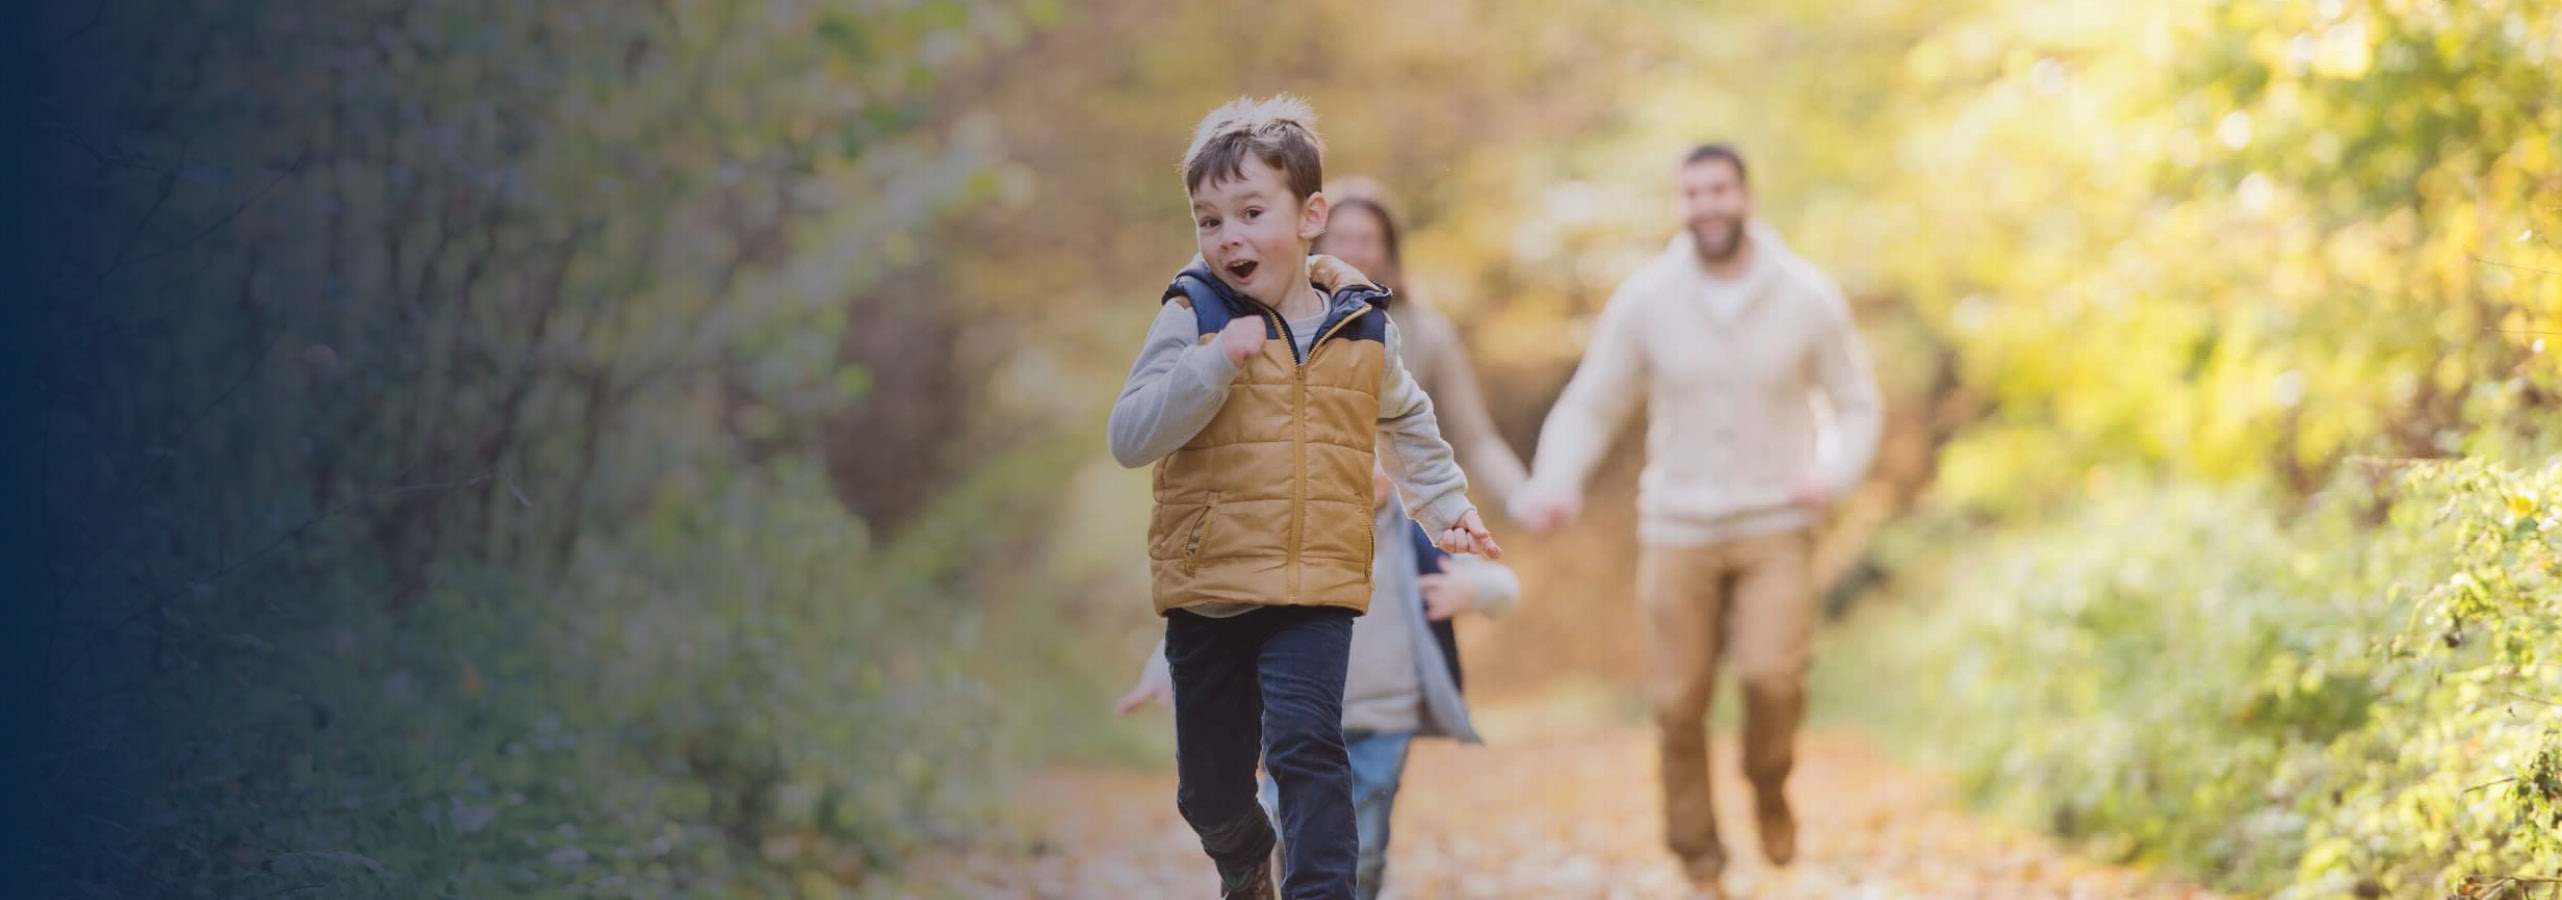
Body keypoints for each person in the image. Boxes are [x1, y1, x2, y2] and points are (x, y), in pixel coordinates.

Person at [1106, 94, 1502, 900]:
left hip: (1317, 583)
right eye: (1209, 220)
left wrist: (1447, 507)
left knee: (1306, 746)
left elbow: (1408, 421)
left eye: (1252, 212)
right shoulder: (1193, 315)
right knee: (1210, 790)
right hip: (1211, 587)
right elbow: (1130, 434)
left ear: (1310, 214)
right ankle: (1247, 858)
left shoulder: (1362, 329)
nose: (1229, 237)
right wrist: (1213, 366)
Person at [1510, 143, 1881, 899]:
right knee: (1678, 703)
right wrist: (1557, 477)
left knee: (1773, 677)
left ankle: (1768, 783)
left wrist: (1832, 474)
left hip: (1776, 522)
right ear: (1680, 206)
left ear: (1747, 196)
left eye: (1719, 190)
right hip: (1676, 527)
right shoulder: (1648, 298)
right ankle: (1699, 858)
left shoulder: (1805, 294)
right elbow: (1592, 402)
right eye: (1692, 193)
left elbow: (1857, 403)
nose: (1707, 205)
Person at [1119, 461, 1523, 900]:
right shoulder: (1298, 543)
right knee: (1294, 833)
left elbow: (1504, 584)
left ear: (1398, 473)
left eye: (1379, 463)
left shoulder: (1417, 543)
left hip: (1384, 720)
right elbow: (1216, 616)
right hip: (1294, 717)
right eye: (1358, 458)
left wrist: (1474, 592)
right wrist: (1160, 670)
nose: (1368, 472)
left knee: (1364, 847)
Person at [1314, 182, 1531, 512]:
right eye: (1341, 239)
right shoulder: (1289, 325)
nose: (1353, 253)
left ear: (1389, 249)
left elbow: (1475, 440)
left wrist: (1522, 499)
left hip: (1404, 517)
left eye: (1366, 240)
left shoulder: (1430, 333)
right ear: (1316, 243)